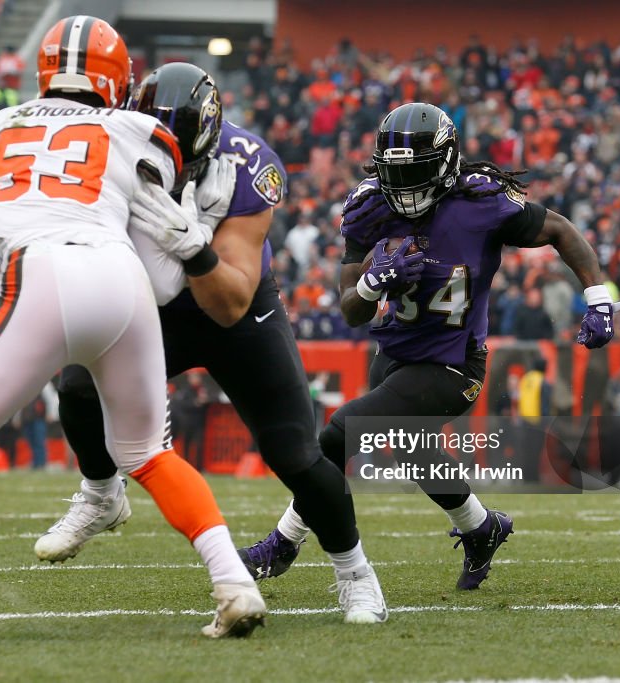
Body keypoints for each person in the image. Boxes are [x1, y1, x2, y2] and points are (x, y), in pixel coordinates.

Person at [0, 17, 266, 639]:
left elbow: (11, 206)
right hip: (123, 281)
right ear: (117, 78)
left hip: (39, 274)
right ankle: (234, 584)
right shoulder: (139, 130)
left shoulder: (1, 127)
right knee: (150, 455)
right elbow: (166, 276)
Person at [36, 62, 387, 624]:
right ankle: (101, 494)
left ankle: (355, 572)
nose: (167, 161)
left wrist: (192, 244)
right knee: (77, 385)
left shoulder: (250, 166)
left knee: (293, 452)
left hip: (235, 309)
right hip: (152, 305)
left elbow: (229, 301)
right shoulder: (112, 142)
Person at [242, 102, 620, 590]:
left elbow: (560, 229)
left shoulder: (480, 203)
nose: (402, 188)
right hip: (393, 357)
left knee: (340, 433)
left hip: (454, 364)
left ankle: (283, 542)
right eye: (394, 173)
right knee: (415, 452)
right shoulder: (369, 206)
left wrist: (597, 298)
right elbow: (350, 311)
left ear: (445, 163)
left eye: (416, 171)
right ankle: (482, 528)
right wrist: (371, 285)